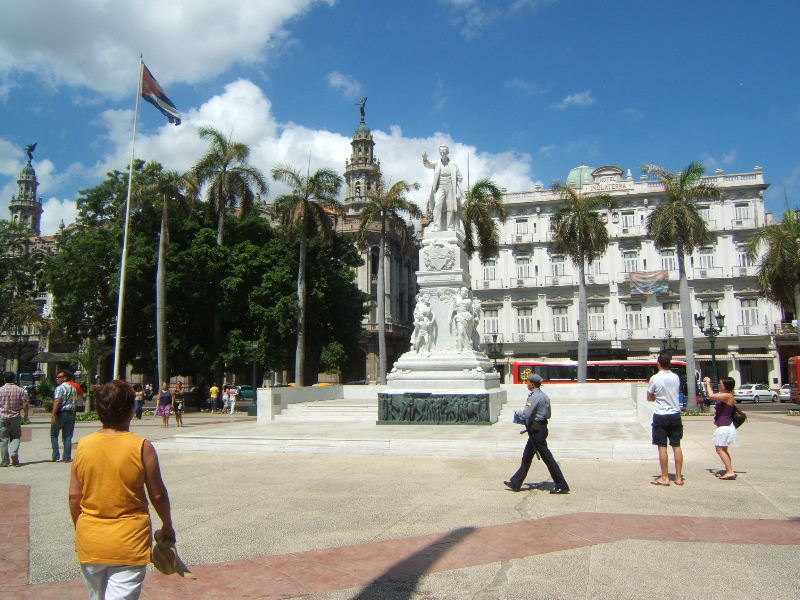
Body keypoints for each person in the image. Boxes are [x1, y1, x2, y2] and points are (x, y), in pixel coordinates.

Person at [69, 380, 175, 599]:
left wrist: (80, 528)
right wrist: (167, 524)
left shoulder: (83, 446)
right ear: (130, 410)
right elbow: (157, 494)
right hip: (129, 540)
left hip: (91, 538)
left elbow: (74, 497)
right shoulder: (141, 446)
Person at [504, 374, 570, 494]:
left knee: (548, 459)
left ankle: (562, 485)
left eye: (528, 382)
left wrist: (519, 413)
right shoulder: (544, 396)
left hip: (536, 430)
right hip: (540, 428)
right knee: (526, 457)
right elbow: (548, 415)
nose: (527, 384)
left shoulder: (533, 397)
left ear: (532, 384)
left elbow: (526, 415)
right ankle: (516, 482)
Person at [647, 352, 684, 486]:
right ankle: (679, 477)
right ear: (670, 363)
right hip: (675, 414)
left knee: (662, 446)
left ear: (658, 364)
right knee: (676, 445)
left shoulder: (655, 378)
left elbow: (649, 397)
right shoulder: (676, 377)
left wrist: (657, 397)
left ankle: (665, 477)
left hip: (661, 415)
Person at [422, 145, 464, 232]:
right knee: (437, 205)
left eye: (444, 152)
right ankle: (437, 226)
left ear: (447, 152)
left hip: (450, 188)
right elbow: (428, 165)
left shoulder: (453, 164)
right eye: (440, 152)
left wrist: (457, 185)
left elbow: (460, 177)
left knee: (450, 207)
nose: (442, 153)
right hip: (440, 187)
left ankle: (450, 226)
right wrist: (425, 159)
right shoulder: (437, 163)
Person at [704, 376, 739, 480]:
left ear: (726, 386)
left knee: (720, 449)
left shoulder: (728, 396)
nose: (720, 385)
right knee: (723, 449)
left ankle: (730, 471)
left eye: (721, 384)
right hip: (724, 426)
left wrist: (708, 384)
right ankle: (729, 469)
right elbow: (714, 396)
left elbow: (711, 395)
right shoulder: (727, 395)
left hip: (725, 426)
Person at [0, 371, 29, 467]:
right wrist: (26, 415)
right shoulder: (20, 390)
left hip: (3, 417)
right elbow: (25, 403)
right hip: (16, 417)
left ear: (4, 379)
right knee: (16, 436)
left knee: (3, 439)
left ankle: (4, 461)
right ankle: (14, 453)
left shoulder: (1, 390)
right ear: (14, 379)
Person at [51, 370, 78, 462]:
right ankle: (66, 457)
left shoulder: (60, 388)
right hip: (72, 413)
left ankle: (56, 455)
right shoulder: (73, 388)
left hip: (61, 413)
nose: (57, 379)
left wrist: (53, 414)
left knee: (54, 434)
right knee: (68, 436)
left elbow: (57, 401)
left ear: (64, 378)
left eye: (59, 377)